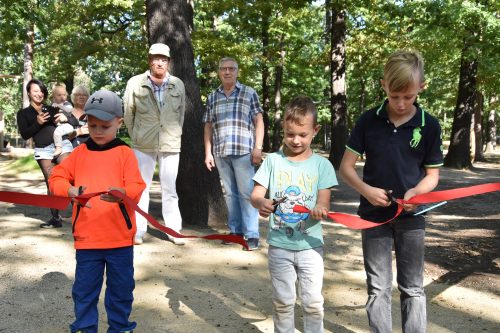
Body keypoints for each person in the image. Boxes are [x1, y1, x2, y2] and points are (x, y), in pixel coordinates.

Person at [339, 50, 443, 333]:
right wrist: (367, 190)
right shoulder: (367, 121)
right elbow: (346, 168)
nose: (400, 103)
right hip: (373, 217)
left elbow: (432, 175)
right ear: (383, 84)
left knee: (412, 287)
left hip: (412, 218)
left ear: (421, 88)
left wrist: (416, 193)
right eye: (394, 95)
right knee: (378, 287)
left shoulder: (429, 125)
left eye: (408, 97)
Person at [49, 89, 146, 333]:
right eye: (93, 126)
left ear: (119, 123)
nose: (98, 132)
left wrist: (123, 193)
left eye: (105, 126)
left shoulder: (125, 154)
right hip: (87, 240)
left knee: (121, 289)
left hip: (119, 240)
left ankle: (121, 327)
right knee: (84, 290)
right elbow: (56, 178)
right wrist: (70, 190)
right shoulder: (79, 153)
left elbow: (137, 185)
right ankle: (84, 327)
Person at [251, 96, 337, 332]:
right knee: (283, 301)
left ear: (315, 130)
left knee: (312, 302)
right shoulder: (272, 162)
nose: (296, 140)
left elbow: (324, 201)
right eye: (290, 134)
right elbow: (256, 195)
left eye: (303, 135)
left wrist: (320, 209)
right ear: (283, 129)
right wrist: (262, 202)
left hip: (310, 246)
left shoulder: (322, 166)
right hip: (279, 245)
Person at [124, 43, 186, 245]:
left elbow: (181, 115)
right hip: (143, 143)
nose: (160, 63)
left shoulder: (178, 84)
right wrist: (137, 136)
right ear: (150, 60)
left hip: (170, 143)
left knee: (170, 189)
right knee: (141, 187)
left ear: (168, 62)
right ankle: (139, 230)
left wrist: (174, 134)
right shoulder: (135, 82)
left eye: (164, 59)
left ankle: (173, 230)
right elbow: (128, 113)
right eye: (156, 59)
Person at [203, 57, 264, 251]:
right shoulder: (213, 96)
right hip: (221, 152)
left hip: (243, 151)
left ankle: (252, 234)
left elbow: (259, 122)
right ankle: (236, 231)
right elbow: (208, 126)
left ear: (237, 71)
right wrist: (208, 152)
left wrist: (258, 148)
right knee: (230, 194)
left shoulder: (249, 93)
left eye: (231, 69)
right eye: (223, 69)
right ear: (219, 72)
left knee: (247, 193)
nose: (227, 72)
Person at [17, 79, 79, 228]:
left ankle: (81, 216)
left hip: (62, 145)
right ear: (29, 93)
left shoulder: (52, 108)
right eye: (35, 91)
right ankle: (55, 218)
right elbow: (25, 135)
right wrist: (37, 122)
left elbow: (75, 121)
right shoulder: (23, 113)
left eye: (41, 91)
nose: (39, 94)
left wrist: (67, 118)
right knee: (52, 183)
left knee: (70, 178)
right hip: (43, 150)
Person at [51, 84, 76, 157]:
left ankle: (59, 148)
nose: (62, 97)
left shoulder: (67, 104)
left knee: (57, 132)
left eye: (64, 95)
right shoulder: (53, 104)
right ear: (54, 96)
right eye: (59, 95)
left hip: (68, 125)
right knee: (56, 131)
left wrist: (60, 106)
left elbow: (69, 110)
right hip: (60, 125)